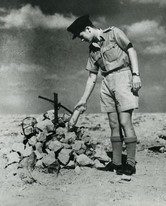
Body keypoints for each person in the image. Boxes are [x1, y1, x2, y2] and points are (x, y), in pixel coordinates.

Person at [67, 15, 141, 175]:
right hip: (106, 82)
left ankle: (130, 163)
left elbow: (131, 50)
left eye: (81, 36)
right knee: (113, 124)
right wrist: (83, 100)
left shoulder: (113, 33)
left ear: (88, 29)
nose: (81, 40)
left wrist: (136, 75)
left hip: (123, 76)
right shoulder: (92, 50)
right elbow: (92, 77)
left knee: (124, 121)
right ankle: (116, 163)